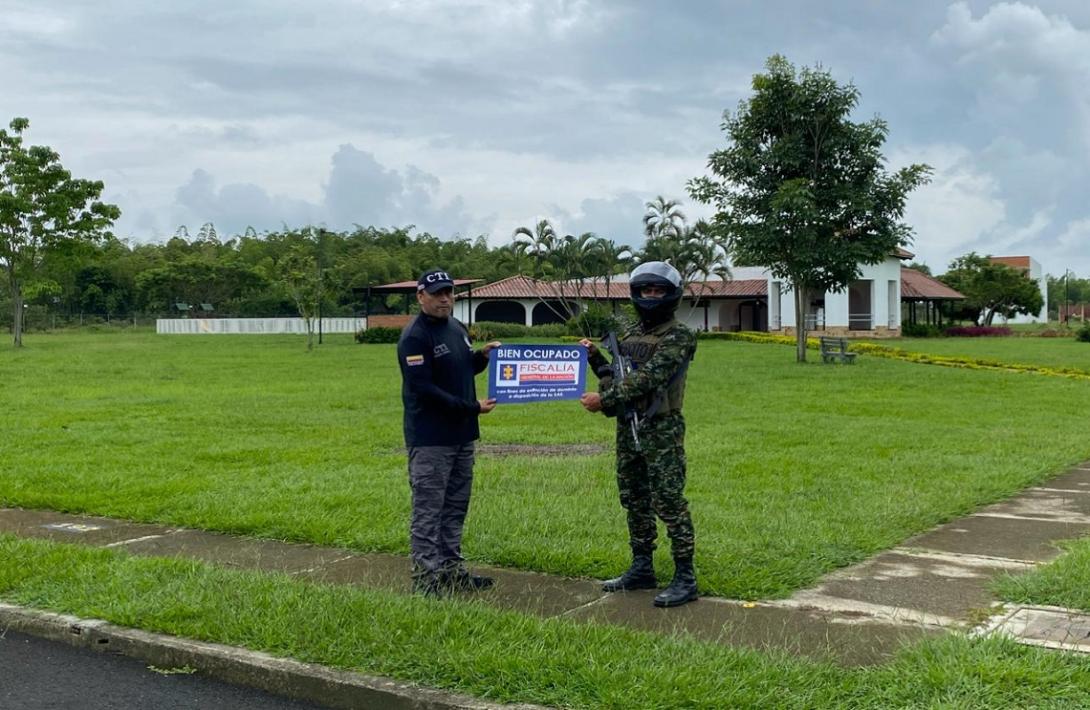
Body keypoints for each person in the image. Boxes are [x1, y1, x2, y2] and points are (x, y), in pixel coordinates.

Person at [579, 261, 699, 607]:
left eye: (658, 291)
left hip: (661, 430)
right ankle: (642, 566)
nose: (651, 296)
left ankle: (685, 576)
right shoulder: (630, 336)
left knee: (669, 501)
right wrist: (593, 357)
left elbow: (651, 379)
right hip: (627, 428)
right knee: (634, 498)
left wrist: (605, 400)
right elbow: (616, 373)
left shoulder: (678, 336)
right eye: (646, 290)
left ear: (671, 295)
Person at [397, 268, 501, 597]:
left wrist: (482, 357)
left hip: (462, 435)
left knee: (456, 506)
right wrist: (470, 408)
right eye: (438, 293)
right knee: (429, 510)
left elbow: (464, 365)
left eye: (449, 293)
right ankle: (426, 580)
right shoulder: (415, 336)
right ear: (420, 296)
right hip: (431, 439)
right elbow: (423, 388)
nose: (445, 299)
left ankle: (451, 571)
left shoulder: (455, 327)